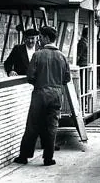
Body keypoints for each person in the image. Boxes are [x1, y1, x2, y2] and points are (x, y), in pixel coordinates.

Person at [14, 26, 70, 166]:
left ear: (45, 38)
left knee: (32, 125)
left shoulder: (38, 55)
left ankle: (24, 156)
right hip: (56, 94)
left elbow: (30, 76)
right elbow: (67, 78)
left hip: (40, 93)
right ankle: (48, 158)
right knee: (52, 127)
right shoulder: (62, 56)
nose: (39, 39)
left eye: (41, 37)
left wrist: (39, 82)